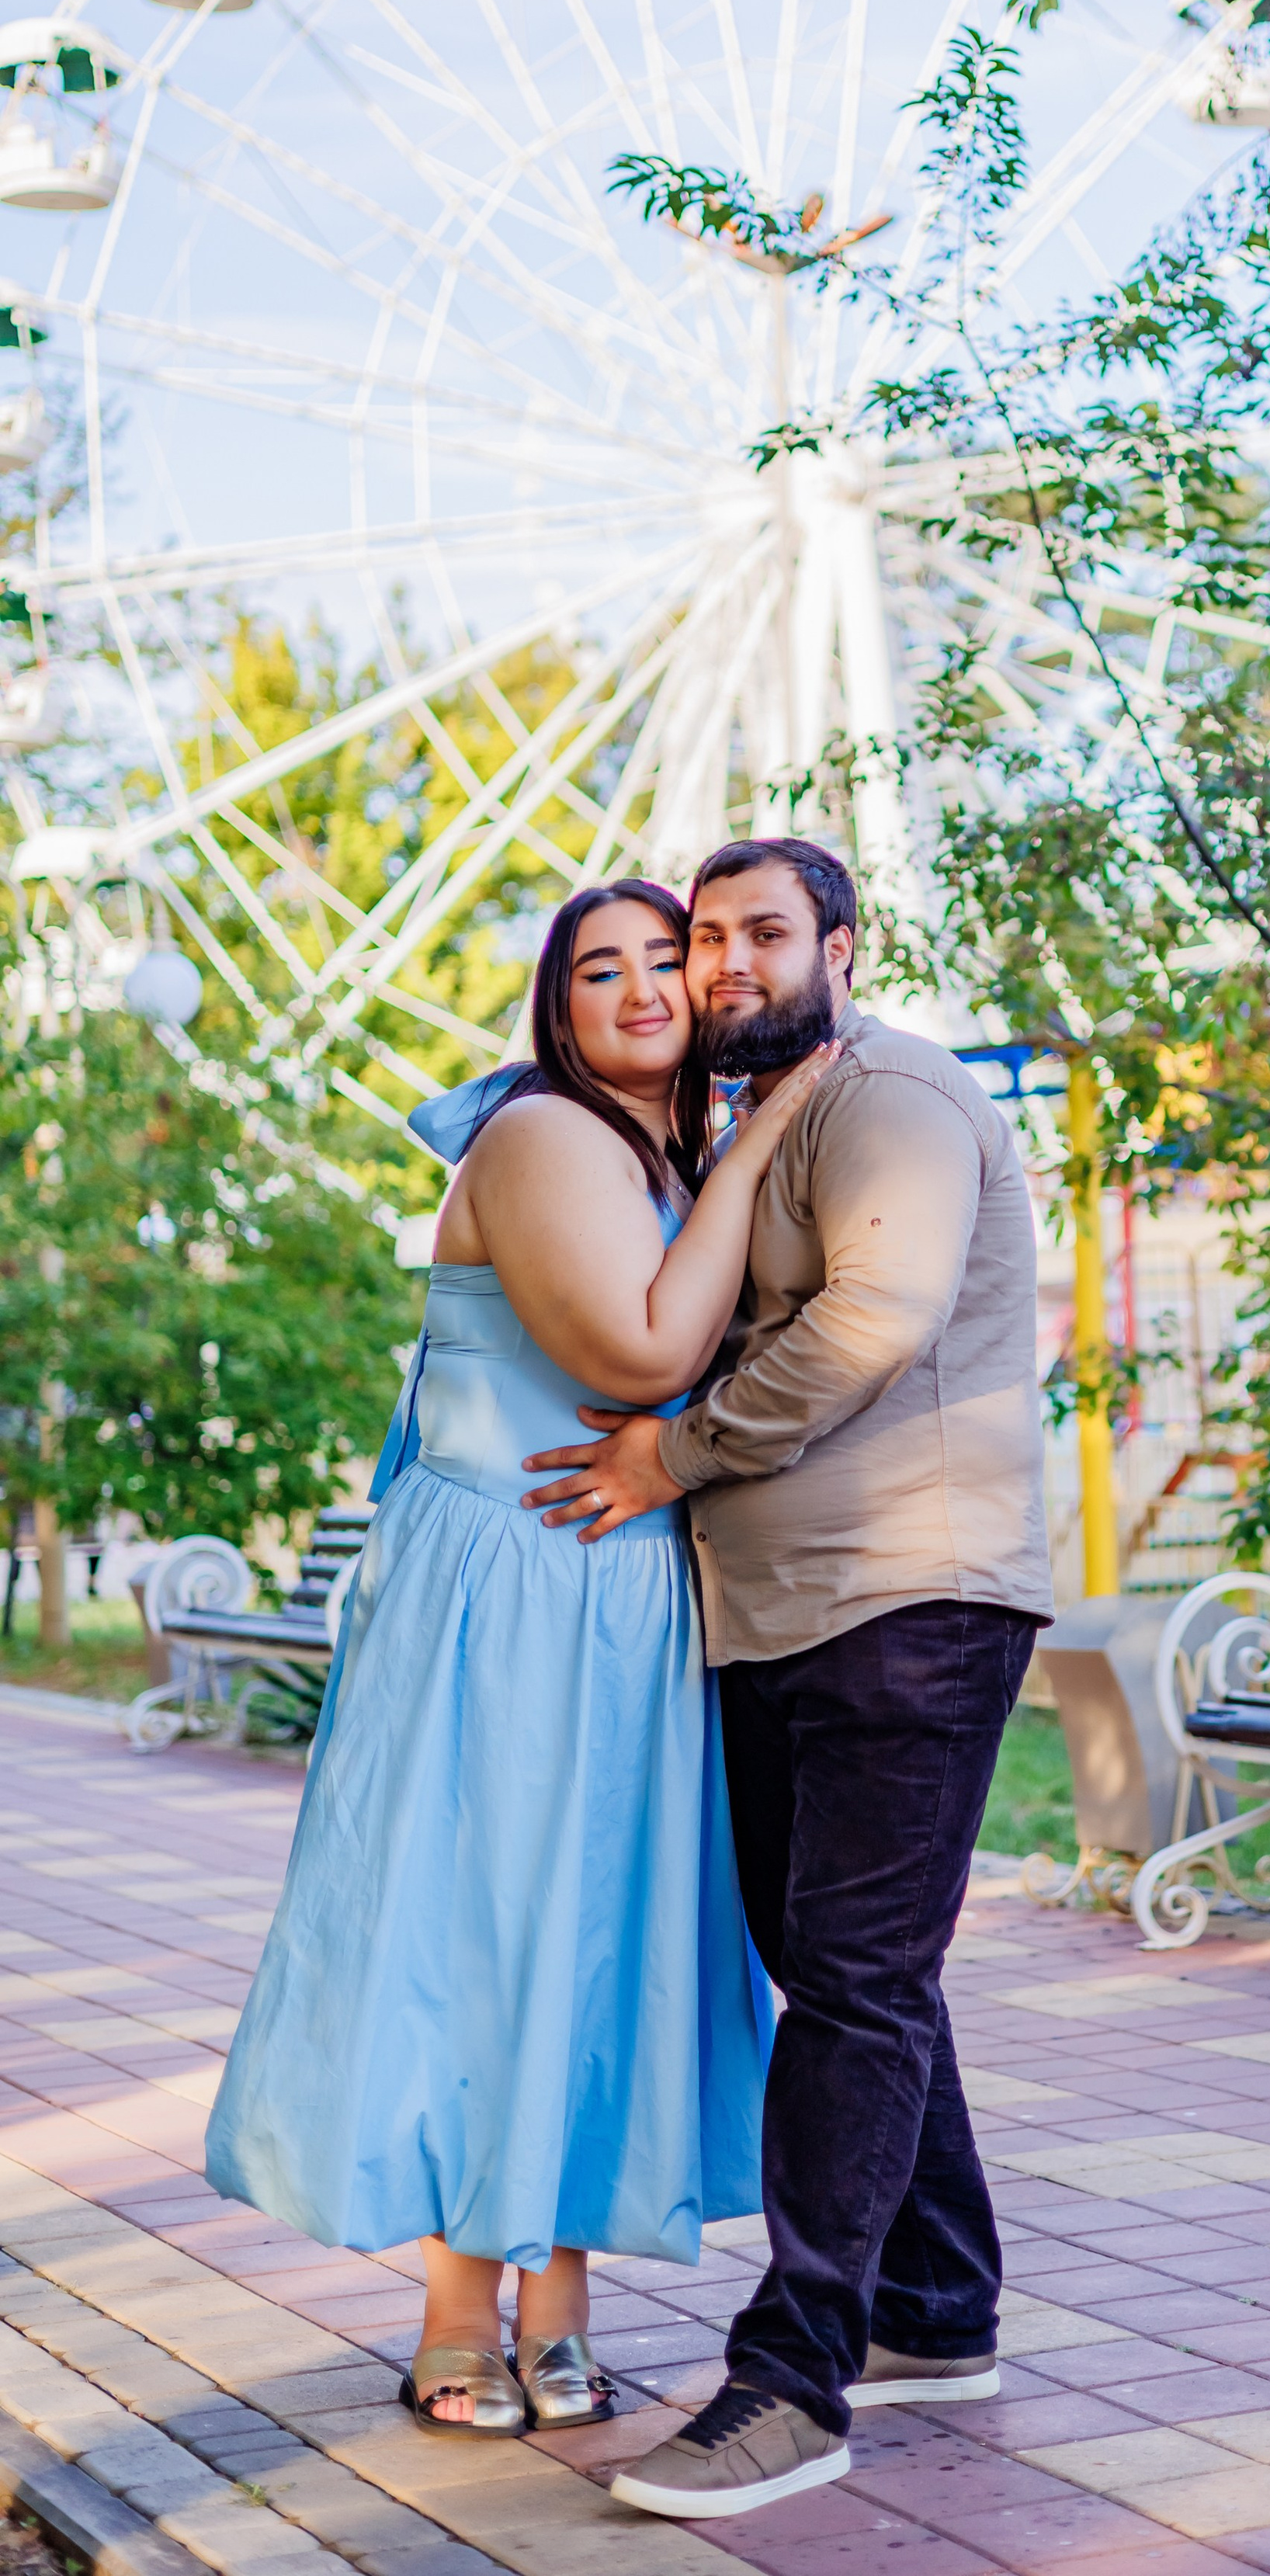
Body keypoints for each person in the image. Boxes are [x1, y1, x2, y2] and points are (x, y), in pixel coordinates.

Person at [206, 881, 835, 2443]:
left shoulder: (658, 1152)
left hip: (617, 1592)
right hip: (509, 1585)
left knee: (592, 1930)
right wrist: (766, 1130)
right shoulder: (544, 1134)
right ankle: (454, 2314)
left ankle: (558, 2307)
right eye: (597, 969)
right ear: (555, 1008)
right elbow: (643, 1353)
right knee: (484, 1927)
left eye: (664, 960)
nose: (642, 988)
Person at [521, 836, 1053, 2521]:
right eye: (705, 936)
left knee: (855, 1985)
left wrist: (673, 1457)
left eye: (764, 932)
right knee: (841, 1967)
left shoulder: (891, 1096)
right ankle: (935, 2309)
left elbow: (872, 1321)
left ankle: (789, 2382)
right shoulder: (762, 1116)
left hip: (911, 1593)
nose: (725, 963)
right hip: (781, 1610)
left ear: (843, 945)